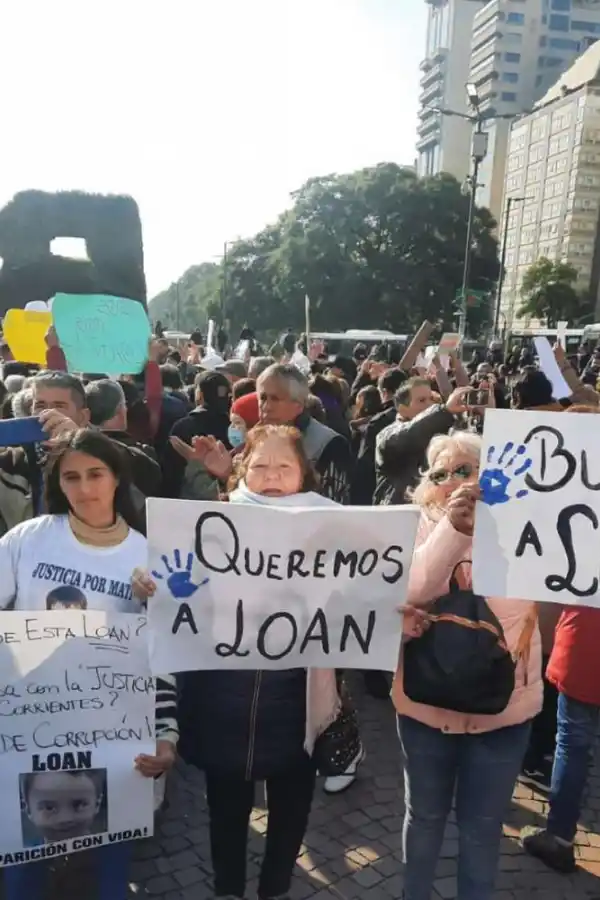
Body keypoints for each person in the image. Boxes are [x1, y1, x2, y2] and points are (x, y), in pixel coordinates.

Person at [136, 425, 341, 900]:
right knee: (226, 814)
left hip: (298, 707)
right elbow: (175, 589)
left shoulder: (336, 530)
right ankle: (228, 891)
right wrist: (151, 584)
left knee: (291, 819)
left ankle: (274, 892)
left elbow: (361, 595)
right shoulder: (207, 525)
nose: (272, 477)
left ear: (303, 475)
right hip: (221, 705)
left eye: (284, 467)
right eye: (261, 465)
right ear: (243, 470)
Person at [0, 428, 178, 900]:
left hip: (114, 736)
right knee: (22, 866)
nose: (84, 488)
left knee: (109, 871)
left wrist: (166, 734)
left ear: (117, 477)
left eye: (95, 473)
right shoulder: (28, 539)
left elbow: (162, 657)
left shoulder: (147, 556)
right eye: (71, 477)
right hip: (26, 729)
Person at [393, 432, 542, 900]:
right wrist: (452, 532)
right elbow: (411, 589)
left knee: (481, 829)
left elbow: (517, 611)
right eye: (440, 474)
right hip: (425, 709)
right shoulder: (413, 526)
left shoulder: (527, 525)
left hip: (503, 710)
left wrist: (489, 530)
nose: (453, 482)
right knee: (424, 818)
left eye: (465, 470)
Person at [374, 379, 467, 506]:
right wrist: (444, 411)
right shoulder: (387, 434)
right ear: (403, 409)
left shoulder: (440, 431)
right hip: (397, 514)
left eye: (431, 399)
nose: (430, 405)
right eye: (421, 400)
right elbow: (409, 435)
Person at [162, 370, 232, 498]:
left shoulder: (182, 426)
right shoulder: (233, 428)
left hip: (185, 502)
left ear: (199, 394)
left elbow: (170, 473)